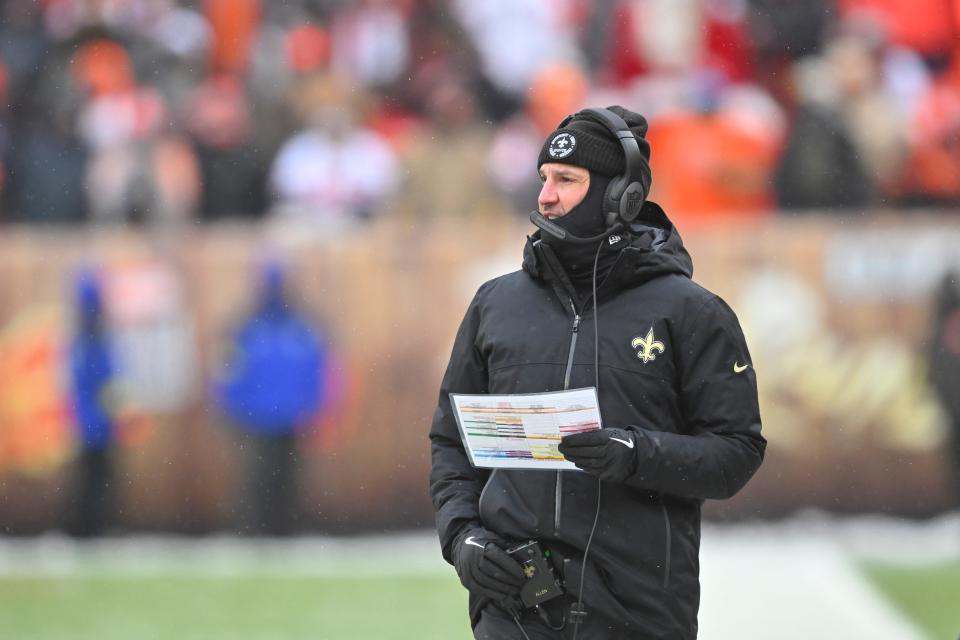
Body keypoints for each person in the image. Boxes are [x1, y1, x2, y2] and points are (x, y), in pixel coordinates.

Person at [429, 106, 766, 639]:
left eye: (566, 180)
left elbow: (736, 454)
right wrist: (463, 538)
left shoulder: (692, 311)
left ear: (621, 196)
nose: (545, 195)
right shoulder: (494, 304)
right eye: (544, 178)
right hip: (512, 610)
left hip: (638, 611)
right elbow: (452, 442)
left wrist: (635, 454)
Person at [215, 259, 329, 535]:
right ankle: (254, 531)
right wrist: (230, 408)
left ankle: (283, 531)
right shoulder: (246, 329)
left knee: (286, 480)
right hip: (256, 419)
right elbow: (228, 372)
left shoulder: (301, 327)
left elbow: (319, 371)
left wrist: (317, 408)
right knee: (258, 479)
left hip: (289, 417)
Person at [65, 270, 119, 537]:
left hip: (87, 419)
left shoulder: (81, 338)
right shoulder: (94, 339)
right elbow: (105, 381)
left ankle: (87, 528)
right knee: (96, 478)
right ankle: (90, 529)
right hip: (96, 421)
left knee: (90, 477)